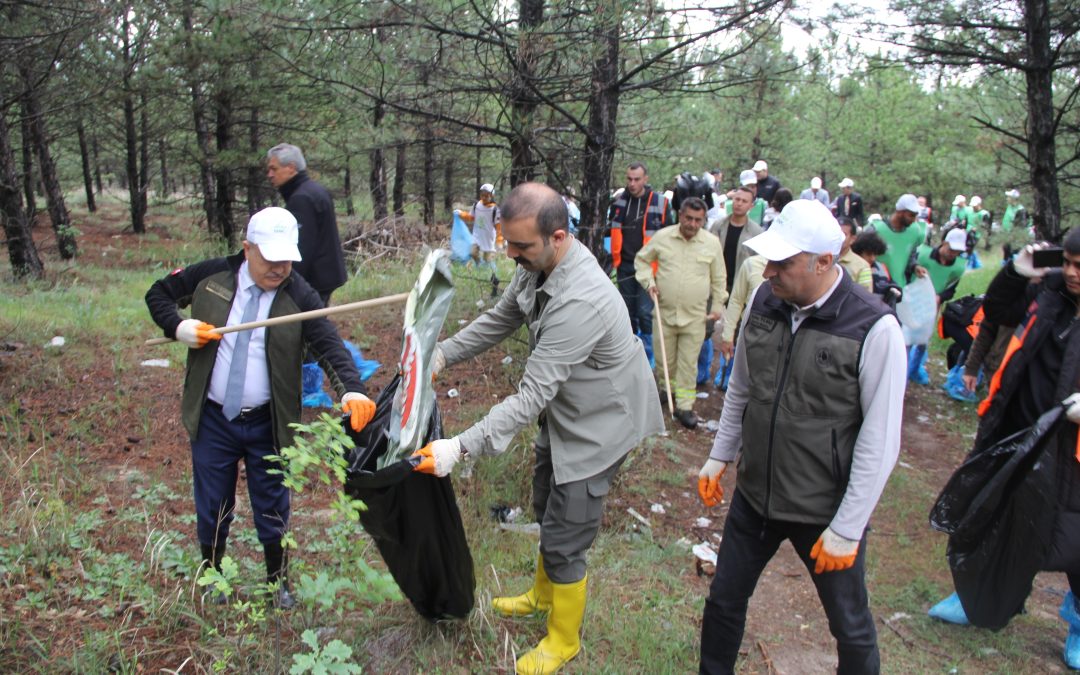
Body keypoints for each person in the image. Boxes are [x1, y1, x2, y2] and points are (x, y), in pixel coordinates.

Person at [413, 183, 664, 674]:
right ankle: (541, 595)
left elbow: (530, 398)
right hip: (569, 408)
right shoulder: (537, 264)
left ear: (558, 236)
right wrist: (444, 352)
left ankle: (563, 640)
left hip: (602, 422)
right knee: (547, 500)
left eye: (521, 246)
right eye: (507, 243)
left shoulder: (579, 300)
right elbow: (502, 316)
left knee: (569, 529)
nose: (511, 254)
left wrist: (459, 448)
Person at [696, 199, 906, 674]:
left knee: (850, 626)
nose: (769, 272)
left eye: (783, 263)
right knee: (724, 601)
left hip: (824, 510)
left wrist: (847, 528)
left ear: (824, 261)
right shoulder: (763, 301)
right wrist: (720, 455)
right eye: (769, 260)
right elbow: (742, 388)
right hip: (755, 497)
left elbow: (881, 439)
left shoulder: (873, 327)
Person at [145, 207, 376, 609]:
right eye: (270, 258)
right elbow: (159, 294)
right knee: (213, 502)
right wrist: (178, 326)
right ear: (247, 248)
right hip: (213, 417)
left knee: (272, 503)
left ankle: (277, 582)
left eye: (287, 258)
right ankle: (213, 575)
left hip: (269, 422)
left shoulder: (299, 294)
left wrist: (351, 390)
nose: (280, 267)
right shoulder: (212, 276)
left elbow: (329, 346)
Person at [927, 235, 1080, 669]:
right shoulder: (1047, 293)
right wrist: (1017, 271)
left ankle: (1078, 623)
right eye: (1067, 262)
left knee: (1074, 538)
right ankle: (976, 595)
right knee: (993, 514)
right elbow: (995, 312)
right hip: (1015, 432)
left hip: (1073, 450)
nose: (1071, 272)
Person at [635, 197, 727, 429]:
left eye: (698, 220)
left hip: (695, 316)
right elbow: (642, 260)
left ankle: (685, 406)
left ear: (704, 220)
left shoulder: (711, 243)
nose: (693, 224)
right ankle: (668, 393)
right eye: (688, 218)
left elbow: (719, 278)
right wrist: (648, 283)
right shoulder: (663, 237)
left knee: (688, 363)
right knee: (666, 358)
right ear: (680, 215)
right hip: (663, 312)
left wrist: (717, 307)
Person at [607, 162, 672, 365]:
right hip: (624, 263)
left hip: (649, 267)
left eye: (637, 179)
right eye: (629, 179)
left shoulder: (660, 203)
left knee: (645, 312)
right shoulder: (618, 203)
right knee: (627, 311)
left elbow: (668, 235)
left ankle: (648, 356)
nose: (632, 183)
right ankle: (629, 353)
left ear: (646, 179)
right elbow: (611, 233)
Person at [266, 143, 346, 306]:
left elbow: (301, 247)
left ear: (291, 167)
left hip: (314, 280)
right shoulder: (314, 190)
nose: (270, 175)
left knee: (310, 327)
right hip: (325, 274)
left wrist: (290, 284)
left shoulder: (301, 199)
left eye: (274, 169)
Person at [903, 227, 968, 385]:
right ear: (944, 243)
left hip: (932, 306)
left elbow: (951, 289)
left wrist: (940, 297)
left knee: (923, 341)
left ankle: (914, 369)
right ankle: (901, 371)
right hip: (912, 301)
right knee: (907, 338)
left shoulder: (958, 267)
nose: (953, 254)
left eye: (957, 251)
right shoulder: (924, 254)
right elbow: (907, 272)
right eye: (951, 249)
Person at [866, 194, 925, 290]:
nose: (914, 219)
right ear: (900, 212)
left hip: (899, 287)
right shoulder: (876, 229)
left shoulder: (914, 231)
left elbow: (910, 255)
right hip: (876, 286)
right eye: (911, 215)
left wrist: (915, 266)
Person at [457, 183, 503, 295]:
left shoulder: (495, 210)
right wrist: (460, 214)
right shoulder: (476, 205)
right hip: (476, 237)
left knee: (489, 260)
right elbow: (471, 217)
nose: (484, 197)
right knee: (473, 253)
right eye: (482, 194)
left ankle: (495, 282)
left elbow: (499, 227)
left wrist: (499, 240)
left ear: (491, 195)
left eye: (487, 195)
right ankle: (481, 268)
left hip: (488, 241)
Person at [852, 230, 902, 308]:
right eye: (868, 254)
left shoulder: (882, 267)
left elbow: (892, 284)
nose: (872, 258)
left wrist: (893, 290)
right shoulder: (853, 268)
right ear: (858, 251)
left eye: (875, 254)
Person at [837, 217, 873, 292]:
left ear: (852, 239)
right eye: (835, 233)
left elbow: (864, 297)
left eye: (843, 235)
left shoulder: (862, 266)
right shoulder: (820, 259)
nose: (838, 238)